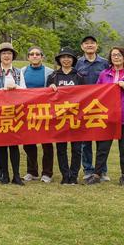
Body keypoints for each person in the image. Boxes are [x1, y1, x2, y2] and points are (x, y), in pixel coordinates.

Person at [0, 42, 26, 185]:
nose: (6, 56)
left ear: (13, 56)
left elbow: (25, 91)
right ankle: (4, 174)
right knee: (0, 144)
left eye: (9, 53)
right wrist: (2, 90)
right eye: (4, 53)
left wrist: (16, 87)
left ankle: (16, 175)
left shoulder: (19, 72)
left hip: (14, 112)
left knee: (14, 144)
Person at [85, 47, 124, 185]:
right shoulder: (104, 74)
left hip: (123, 116)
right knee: (102, 147)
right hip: (107, 116)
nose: (116, 57)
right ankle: (97, 174)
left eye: (119, 55)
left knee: (123, 148)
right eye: (113, 55)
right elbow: (97, 92)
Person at [47, 46, 85, 185]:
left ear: (73, 60)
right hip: (59, 119)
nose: (66, 59)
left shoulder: (79, 76)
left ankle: (74, 176)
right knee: (61, 149)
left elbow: (85, 97)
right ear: (59, 59)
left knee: (76, 149)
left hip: (76, 119)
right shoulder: (52, 76)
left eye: (69, 57)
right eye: (63, 57)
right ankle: (65, 175)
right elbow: (47, 99)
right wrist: (50, 89)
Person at [76, 35, 110, 181]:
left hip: (101, 107)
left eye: (92, 43)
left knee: (102, 140)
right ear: (82, 47)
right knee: (85, 141)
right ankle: (88, 170)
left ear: (97, 46)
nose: (89, 45)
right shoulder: (77, 63)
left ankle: (102, 171)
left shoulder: (105, 63)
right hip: (83, 107)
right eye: (86, 43)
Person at [21, 46, 54, 183]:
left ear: (42, 57)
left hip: (44, 111)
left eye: (37, 54)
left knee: (46, 143)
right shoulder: (22, 71)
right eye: (32, 54)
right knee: (28, 143)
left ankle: (47, 173)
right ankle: (32, 171)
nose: (35, 56)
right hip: (27, 111)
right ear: (28, 57)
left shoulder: (50, 72)